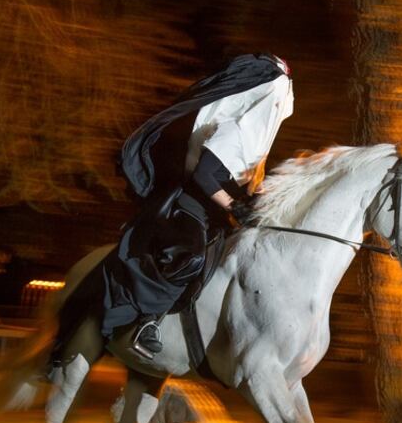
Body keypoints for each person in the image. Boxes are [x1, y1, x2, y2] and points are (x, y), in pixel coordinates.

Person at [100, 53, 294, 359]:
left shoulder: (256, 142)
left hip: (220, 214)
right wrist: (235, 206)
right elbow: (204, 175)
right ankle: (147, 321)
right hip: (191, 205)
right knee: (189, 257)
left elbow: (248, 184)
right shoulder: (233, 131)